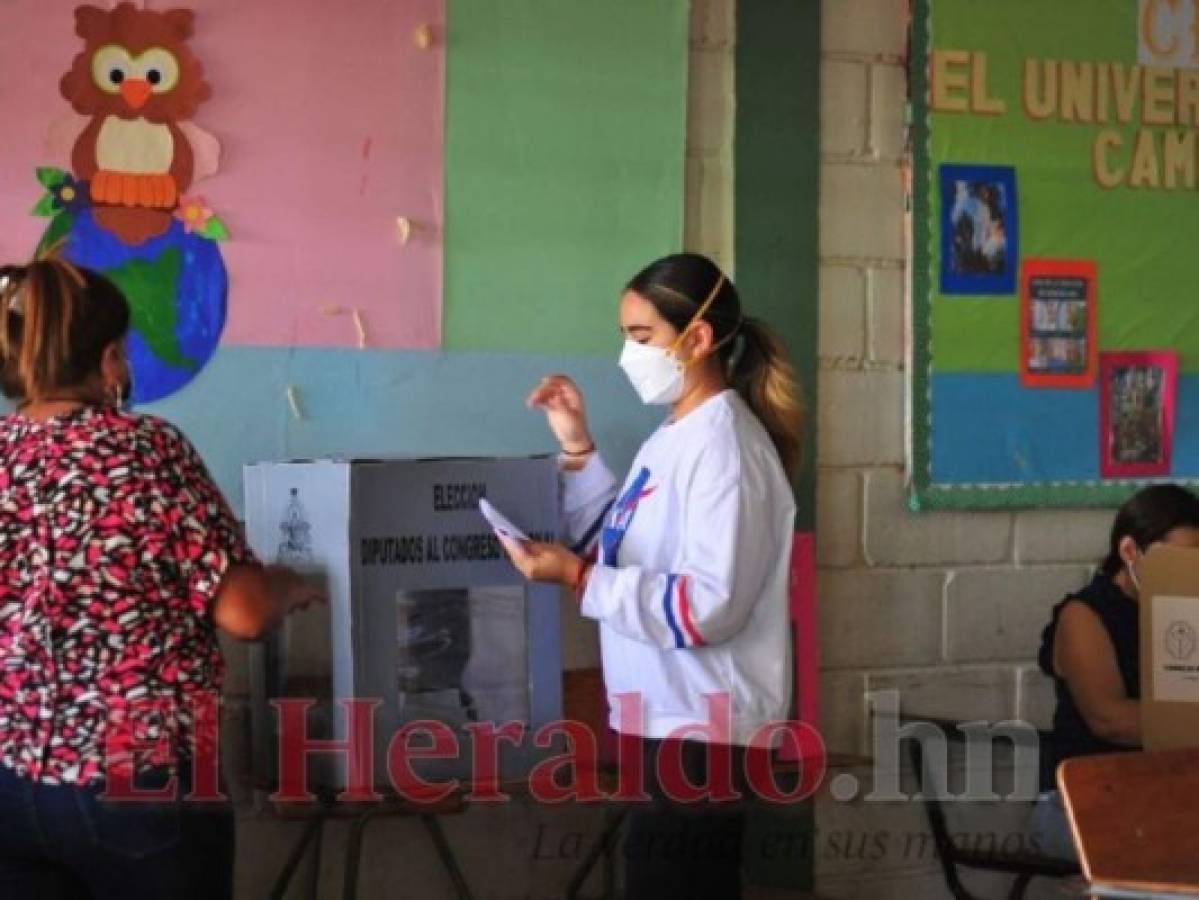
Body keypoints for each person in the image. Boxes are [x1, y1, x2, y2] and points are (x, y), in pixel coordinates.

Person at [0, 258, 320, 899]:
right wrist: (289, 585)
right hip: (137, 783)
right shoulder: (145, 450)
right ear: (111, 358)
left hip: (12, 785)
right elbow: (244, 612)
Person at [499, 253, 800, 899]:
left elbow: (706, 608)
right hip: (664, 717)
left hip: (702, 731)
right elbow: (627, 545)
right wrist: (576, 447)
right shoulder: (675, 435)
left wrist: (580, 577)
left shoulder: (726, 448)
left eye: (641, 338)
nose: (627, 356)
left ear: (696, 338)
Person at [1031, 484, 1199, 861]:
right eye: (1180, 560)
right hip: (1080, 801)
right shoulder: (1085, 615)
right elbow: (1110, 720)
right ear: (1129, 552)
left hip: (1170, 793)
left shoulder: (1187, 612)